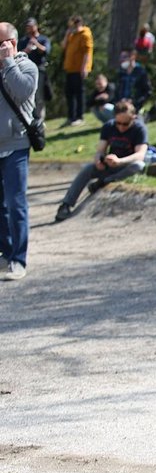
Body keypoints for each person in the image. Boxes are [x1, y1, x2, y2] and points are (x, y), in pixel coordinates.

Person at [55, 100, 148, 221]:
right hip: (111, 165)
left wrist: (120, 161)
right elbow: (100, 150)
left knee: (139, 165)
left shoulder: (139, 129)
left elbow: (140, 154)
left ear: (133, 118)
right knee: (88, 168)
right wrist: (99, 159)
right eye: (118, 123)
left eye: (125, 124)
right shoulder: (109, 126)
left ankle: (105, 181)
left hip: (126, 165)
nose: (121, 127)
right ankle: (66, 205)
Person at [0, 22, 38, 281]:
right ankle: (6, 253)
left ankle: (19, 259)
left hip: (16, 146)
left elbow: (22, 91)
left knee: (16, 204)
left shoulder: (27, 67)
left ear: (11, 43)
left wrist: (8, 62)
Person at [61, 15, 94, 126]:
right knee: (69, 93)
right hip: (70, 68)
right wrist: (67, 34)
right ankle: (71, 117)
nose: (71, 27)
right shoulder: (72, 35)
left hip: (79, 68)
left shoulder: (85, 34)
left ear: (78, 23)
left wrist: (84, 68)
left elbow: (87, 52)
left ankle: (79, 117)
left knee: (79, 93)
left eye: (73, 25)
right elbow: (63, 46)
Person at [17, 17, 51, 121]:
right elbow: (18, 54)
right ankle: (29, 118)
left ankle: (39, 119)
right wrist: (26, 50)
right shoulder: (23, 41)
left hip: (39, 70)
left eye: (31, 26)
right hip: (24, 71)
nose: (30, 29)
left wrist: (36, 43)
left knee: (38, 96)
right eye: (28, 27)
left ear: (36, 26)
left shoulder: (43, 39)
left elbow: (46, 51)